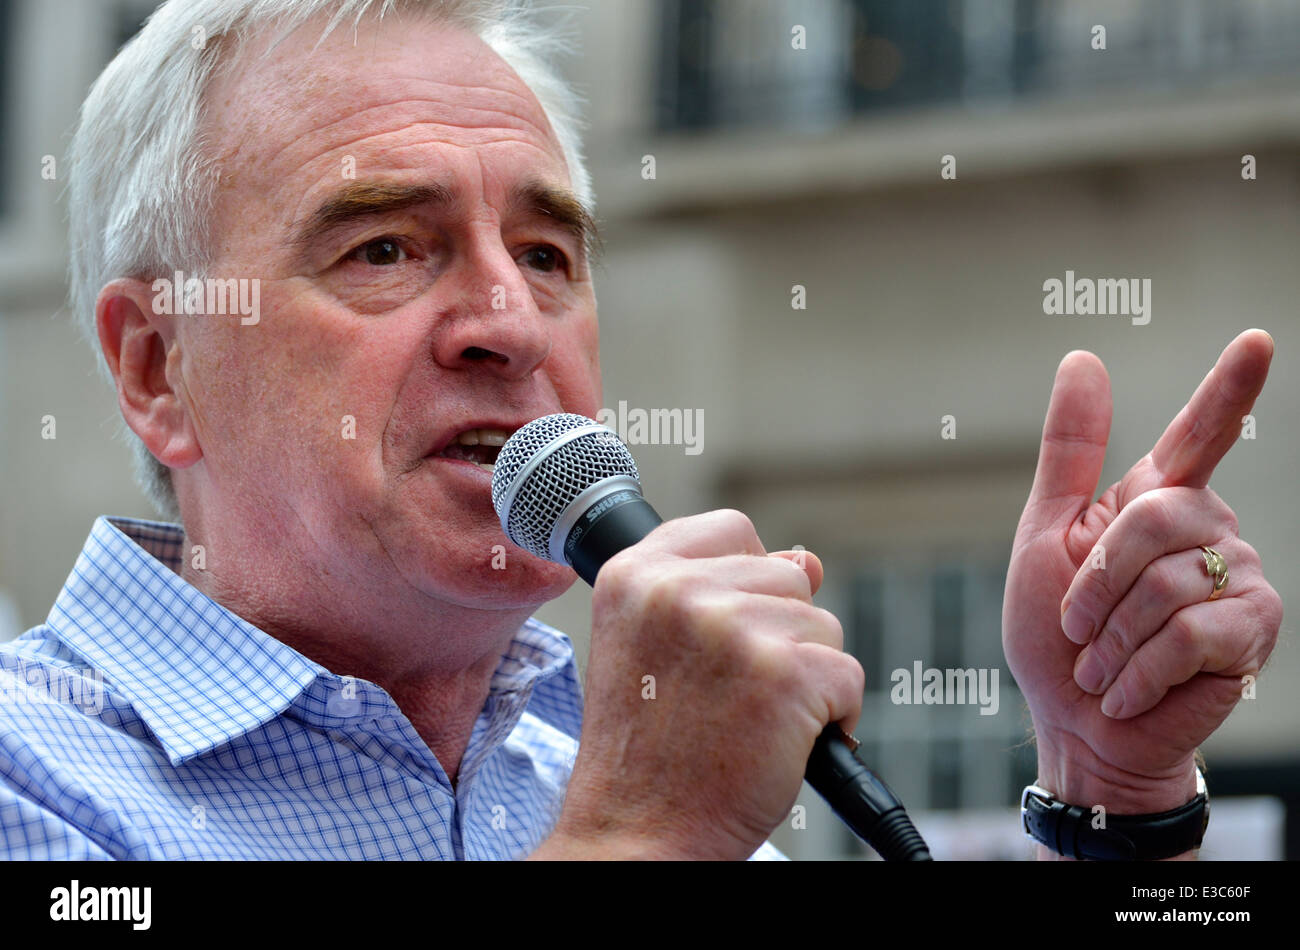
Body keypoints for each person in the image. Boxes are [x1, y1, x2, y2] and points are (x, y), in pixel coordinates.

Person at [0, 0, 1281, 861]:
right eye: (386, 246)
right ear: (159, 366)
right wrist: (640, 836)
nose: (509, 321)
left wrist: (1104, 781)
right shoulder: (34, 780)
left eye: (549, 251)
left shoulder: (615, 757)